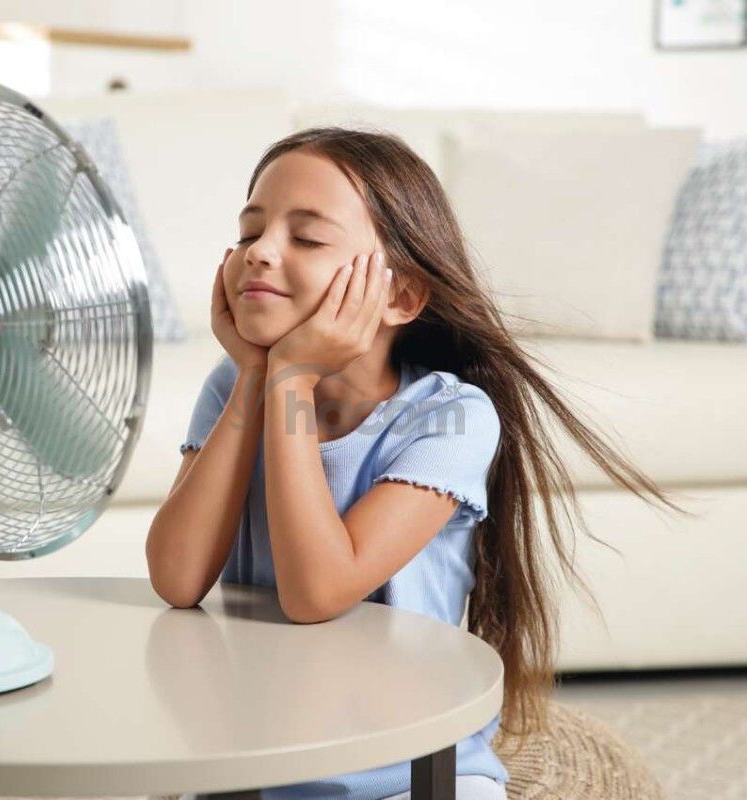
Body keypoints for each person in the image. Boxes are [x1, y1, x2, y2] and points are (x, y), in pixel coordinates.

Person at [146, 126, 692, 800]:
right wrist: (258, 379)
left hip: (413, 775)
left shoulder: (449, 418)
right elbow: (177, 578)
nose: (258, 252)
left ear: (400, 296)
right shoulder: (232, 387)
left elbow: (316, 592)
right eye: (250, 230)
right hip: (253, 771)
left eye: (307, 238)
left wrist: (289, 381)